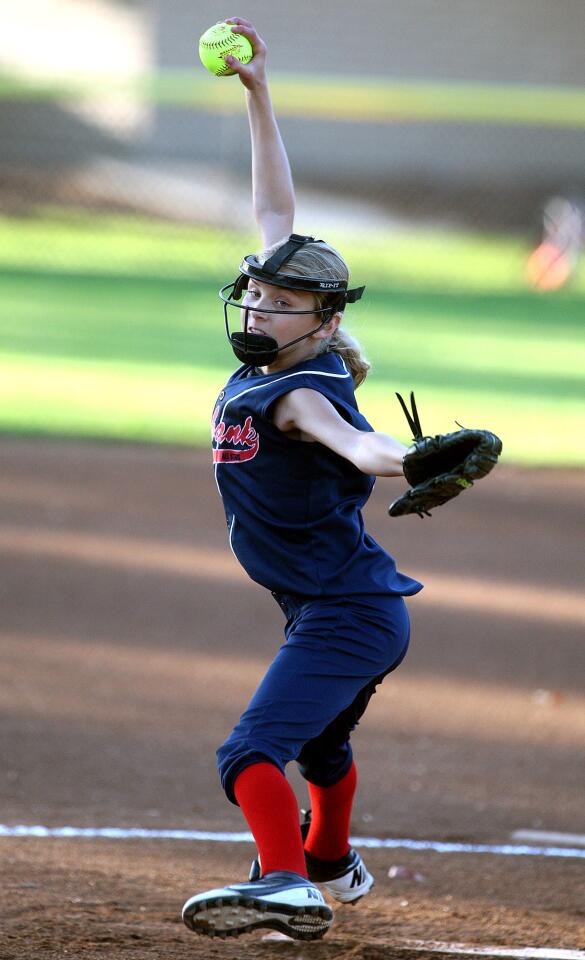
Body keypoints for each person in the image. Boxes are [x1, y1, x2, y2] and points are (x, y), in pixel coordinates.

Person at [182, 17, 423, 943]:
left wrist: (414, 457)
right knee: (323, 745)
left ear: (322, 324)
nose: (259, 304)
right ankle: (327, 856)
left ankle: (284, 882)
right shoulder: (281, 356)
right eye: (255, 292)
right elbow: (273, 213)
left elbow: (361, 452)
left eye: (281, 303)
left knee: (251, 751)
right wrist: (259, 95)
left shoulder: (299, 395)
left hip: (347, 612)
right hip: (336, 603)